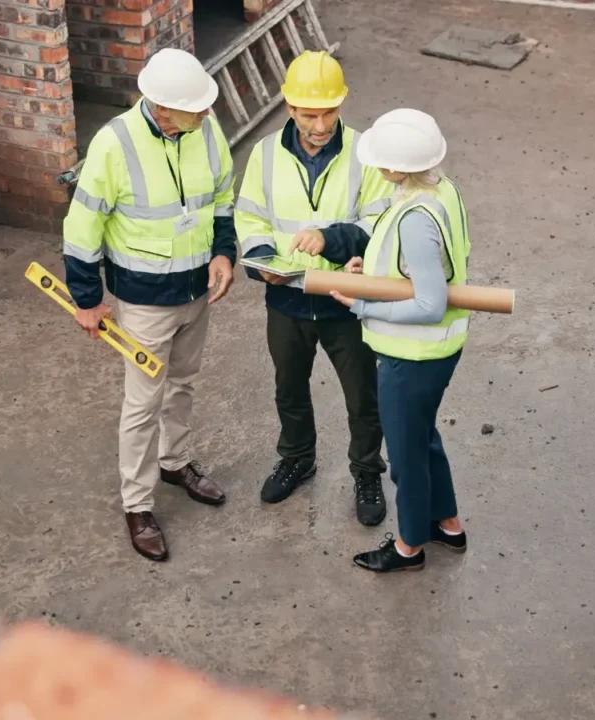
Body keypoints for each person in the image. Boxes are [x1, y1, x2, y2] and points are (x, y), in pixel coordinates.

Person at [61, 48, 237, 562]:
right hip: (144, 302)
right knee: (143, 405)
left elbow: (221, 196)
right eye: (195, 110)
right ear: (161, 109)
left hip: (197, 292)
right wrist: (88, 300)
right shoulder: (114, 145)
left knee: (183, 383)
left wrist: (224, 253)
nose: (206, 115)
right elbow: (81, 227)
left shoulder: (204, 129)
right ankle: (137, 505)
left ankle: (175, 462)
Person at [291, 108, 471, 573]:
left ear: (398, 166)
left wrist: (365, 305)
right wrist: (369, 266)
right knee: (422, 437)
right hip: (436, 352)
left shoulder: (415, 215)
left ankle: (410, 545)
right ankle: (446, 523)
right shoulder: (437, 189)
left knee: (406, 454)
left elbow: (429, 303)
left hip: (413, 355)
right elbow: (411, 263)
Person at [234, 50, 395, 526]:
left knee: (363, 395)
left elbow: (380, 219)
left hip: (347, 299)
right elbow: (249, 216)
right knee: (289, 388)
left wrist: (331, 238)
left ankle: (367, 471)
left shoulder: (364, 153)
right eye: (310, 113)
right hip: (286, 297)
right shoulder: (264, 154)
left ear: (341, 104)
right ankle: (298, 458)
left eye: (329, 111)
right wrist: (260, 261)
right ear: (289, 107)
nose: (321, 123)